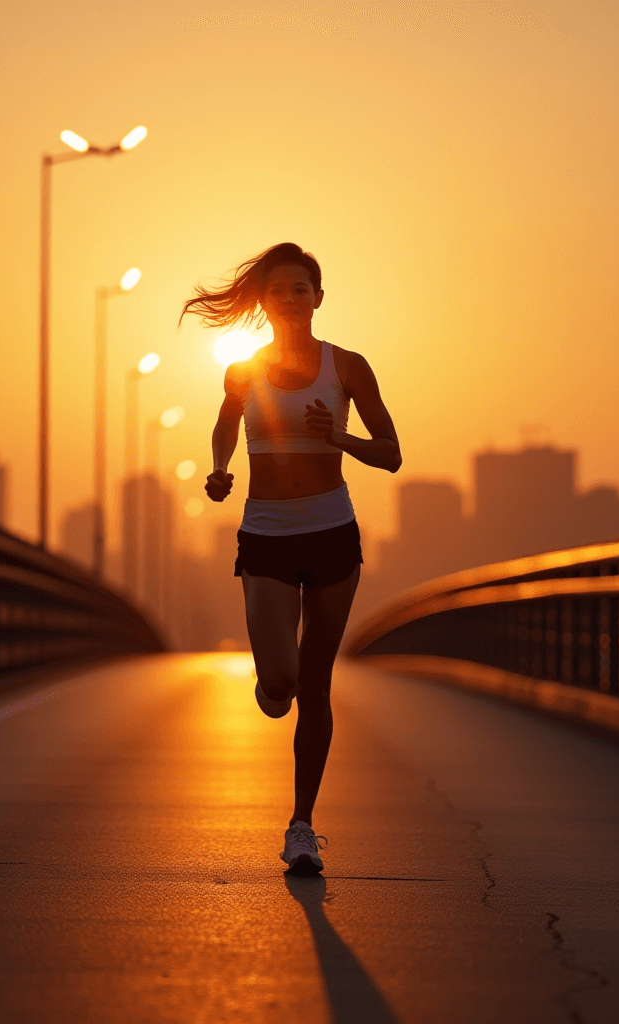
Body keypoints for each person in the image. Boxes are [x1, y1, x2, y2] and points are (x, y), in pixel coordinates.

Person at [182, 242, 402, 874]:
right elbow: (227, 422)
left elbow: (390, 453)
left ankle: (302, 825)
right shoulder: (243, 370)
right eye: (277, 289)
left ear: (318, 297)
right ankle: (269, 684)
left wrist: (339, 437)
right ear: (264, 300)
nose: (289, 298)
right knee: (279, 685)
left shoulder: (349, 367)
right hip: (268, 535)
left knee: (315, 684)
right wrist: (221, 469)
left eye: (301, 288)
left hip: (333, 531)